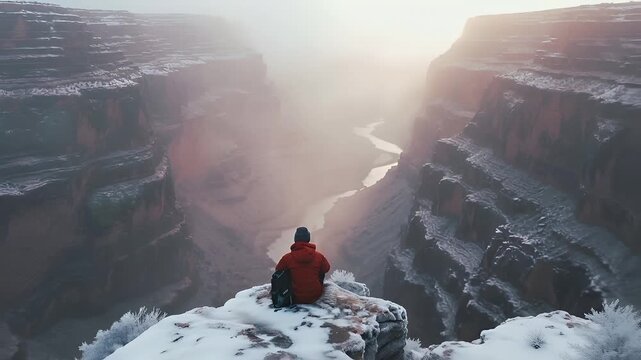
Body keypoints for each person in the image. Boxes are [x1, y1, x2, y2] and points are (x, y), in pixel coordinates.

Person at [275, 227, 330, 304]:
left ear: (295, 239)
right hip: (316, 295)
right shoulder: (319, 256)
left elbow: (278, 270)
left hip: (295, 296)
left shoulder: (287, 258)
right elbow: (326, 268)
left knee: (284, 272)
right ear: (308, 238)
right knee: (321, 269)